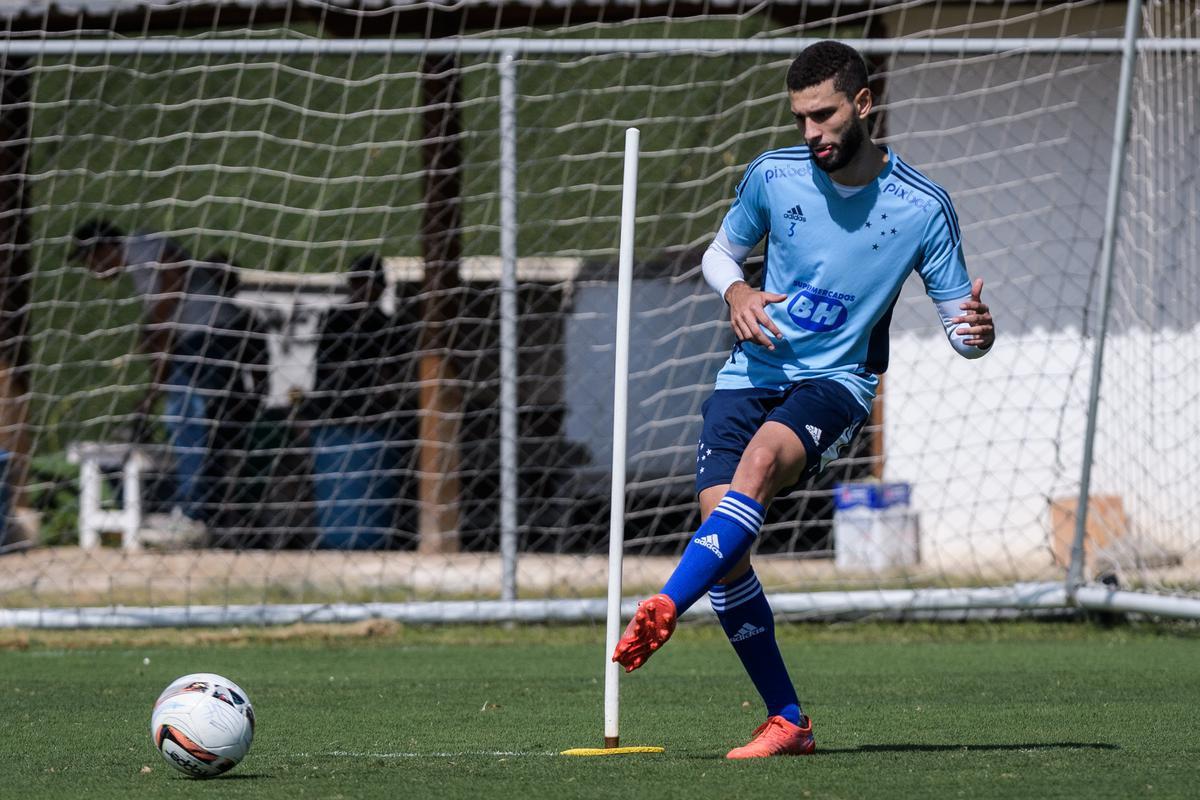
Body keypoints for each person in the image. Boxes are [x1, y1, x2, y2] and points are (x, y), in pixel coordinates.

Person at [611, 41, 996, 758]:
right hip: (748, 373)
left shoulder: (922, 206)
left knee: (758, 466)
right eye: (800, 119)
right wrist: (736, 290)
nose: (812, 132)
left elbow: (960, 329)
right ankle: (787, 720)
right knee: (725, 552)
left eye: (824, 115)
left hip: (836, 383)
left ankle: (665, 603)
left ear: (864, 102)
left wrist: (979, 332)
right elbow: (719, 253)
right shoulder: (773, 176)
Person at [71, 220, 244, 527]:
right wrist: (150, 395)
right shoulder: (142, 280)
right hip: (203, 340)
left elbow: (175, 270)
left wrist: (157, 324)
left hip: (210, 337)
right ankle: (204, 507)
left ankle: (191, 511)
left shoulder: (138, 243)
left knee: (187, 420)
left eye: (88, 260)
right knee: (191, 422)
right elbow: (161, 348)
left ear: (103, 250)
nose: (91, 269)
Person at [305, 253, 415, 550]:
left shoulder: (391, 326)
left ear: (381, 287)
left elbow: (392, 377)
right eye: (357, 283)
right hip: (336, 416)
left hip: (374, 420)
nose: (362, 291)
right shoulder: (335, 321)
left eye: (368, 284)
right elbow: (324, 371)